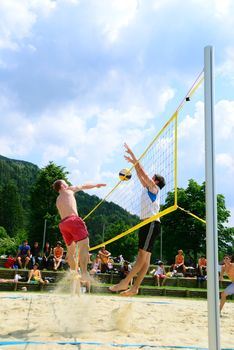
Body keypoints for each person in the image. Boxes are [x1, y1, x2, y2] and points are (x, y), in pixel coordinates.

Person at [109, 142, 165, 296]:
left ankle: (125, 282)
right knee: (145, 260)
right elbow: (141, 175)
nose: (149, 178)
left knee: (141, 257)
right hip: (149, 224)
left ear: (156, 181)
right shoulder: (148, 188)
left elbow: (142, 171)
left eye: (152, 178)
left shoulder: (155, 188)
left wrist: (134, 157)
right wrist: (134, 164)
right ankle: (135, 288)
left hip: (151, 223)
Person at [53, 179, 106, 282]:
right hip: (73, 220)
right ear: (63, 186)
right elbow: (83, 185)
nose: (67, 184)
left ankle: (74, 273)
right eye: (65, 183)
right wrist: (96, 185)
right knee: (84, 246)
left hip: (63, 224)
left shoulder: (58, 199)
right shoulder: (69, 190)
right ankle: (84, 273)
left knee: (70, 253)